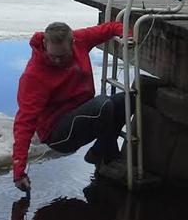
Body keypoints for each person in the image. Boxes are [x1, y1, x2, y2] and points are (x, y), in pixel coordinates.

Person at [11, 21, 129, 192]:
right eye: (53, 56)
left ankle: (97, 152)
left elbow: (110, 27)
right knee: (103, 105)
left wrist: (129, 35)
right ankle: (110, 158)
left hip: (81, 115)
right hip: (57, 134)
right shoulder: (34, 75)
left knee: (127, 100)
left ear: (72, 42)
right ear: (45, 44)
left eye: (63, 56)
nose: (58, 61)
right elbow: (24, 123)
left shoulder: (80, 40)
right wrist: (19, 171)